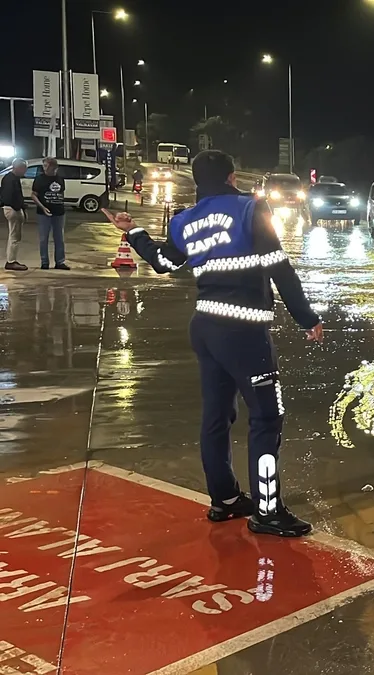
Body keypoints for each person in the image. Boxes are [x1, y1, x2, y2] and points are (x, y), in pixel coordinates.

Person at [103, 149, 323, 538]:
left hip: (205, 326)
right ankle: (267, 511)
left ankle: (224, 499)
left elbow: (164, 264)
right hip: (244, 330)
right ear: (232, 176)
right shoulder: (250, 209)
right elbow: (279, 267)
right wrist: (307, 317)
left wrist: (133, 231)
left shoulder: (184, 220)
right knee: (266, 417)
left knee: (217, 416)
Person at [30, 158, 68, 270]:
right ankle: (44, 262)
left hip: (59, 212)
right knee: (43, 238)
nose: (44, 168)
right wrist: (42, 206)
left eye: (47, 166)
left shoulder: (60, 179)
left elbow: (60, 194)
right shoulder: (39, 179)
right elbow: (33, 194)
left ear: (54, 167)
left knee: (59, 238)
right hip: (43, 213)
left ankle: (60, 262)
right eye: (44, 166)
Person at [1, 159, 27, 271]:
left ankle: (11, 260)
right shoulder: (10, 179)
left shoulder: (11, 178)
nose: (25, 171)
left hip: (12, 208)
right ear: (19, 168)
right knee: (14, 236)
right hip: (12, 209)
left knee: (14, 236)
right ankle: (11, 261)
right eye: (24, 169)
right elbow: (8, 197)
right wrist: (18, 208)